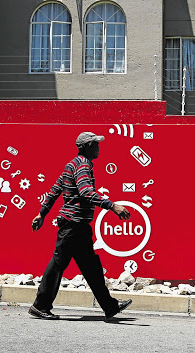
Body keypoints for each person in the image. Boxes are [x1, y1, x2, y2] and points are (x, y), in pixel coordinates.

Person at [29, 131, 132, 320]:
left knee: (91, 267)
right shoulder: (83, 166)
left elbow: (54, 190)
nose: (99, 147)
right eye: (95, 144)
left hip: (77, 226)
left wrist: (41, 213)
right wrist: (112, 206)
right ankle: (40, 306)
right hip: (73, 225)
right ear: (87, 146)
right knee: (58, 265)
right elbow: (86, 192)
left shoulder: (71, 165)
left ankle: (109, 306)